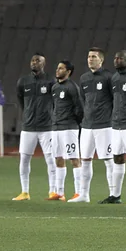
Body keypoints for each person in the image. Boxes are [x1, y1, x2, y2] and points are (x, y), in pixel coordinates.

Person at [72, 47, 115, 203]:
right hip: (87, 126)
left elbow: (114, 100)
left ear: (101, 60)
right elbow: (83, 100)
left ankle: (113, 194)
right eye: (89, 56)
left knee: (108, 160)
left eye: (94, 57)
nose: (90, 59)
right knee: (85, 159)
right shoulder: (84, 78)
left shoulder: (109, 77)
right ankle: (84, 195)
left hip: (104, 125)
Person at [14, 53, 57, 201]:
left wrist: (50, 116)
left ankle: (52, 191)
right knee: (24, 159)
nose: (34, 62)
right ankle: (25, 192)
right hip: (28, 127)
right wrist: (28, 114)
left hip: (47, 127)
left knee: (50, 159)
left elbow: (55, 102)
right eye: (32, 60)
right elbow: (21, 101)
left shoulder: (51, 80)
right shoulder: (23, 81)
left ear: (43, 63)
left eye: (37, 60)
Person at [102, 50, 126, 204]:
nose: (116, 60)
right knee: (117, 157)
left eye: (120, 58)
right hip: (116, 125)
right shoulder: (114, 78)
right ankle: (115, 195)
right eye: (115, 58)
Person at [50, 60, 83, 200]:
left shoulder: (72, 87)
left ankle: (79, 192)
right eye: (57, 68)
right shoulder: (55, 87)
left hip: (69, 128)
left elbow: (79, 108)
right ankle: (60, 193)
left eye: (61, 68)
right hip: (56, 127)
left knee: (74, 159)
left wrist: (74, 121)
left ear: (68, 72)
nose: (58, 70)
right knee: (58, 158)